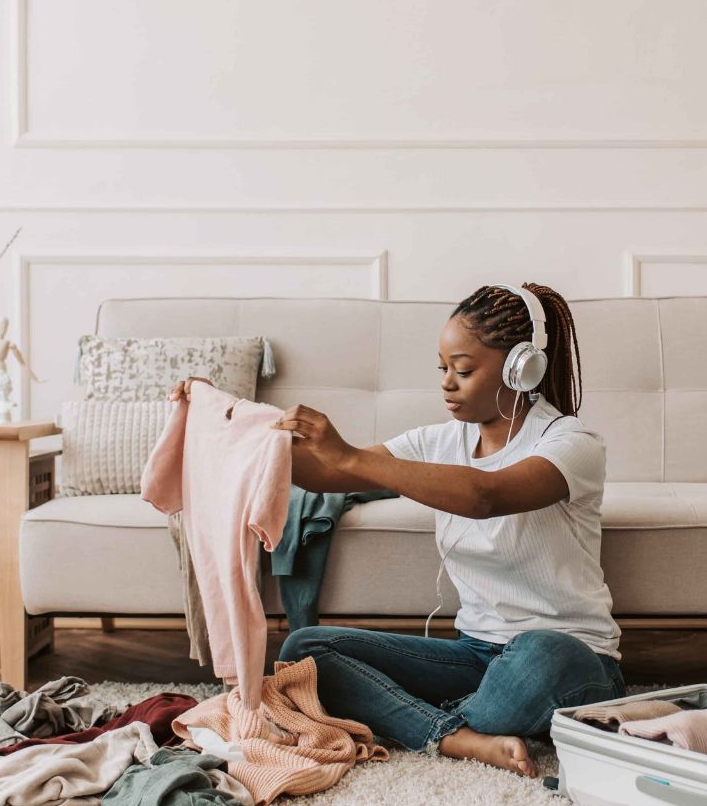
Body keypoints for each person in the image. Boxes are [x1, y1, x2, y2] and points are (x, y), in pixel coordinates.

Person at [169, 283, 623, 776]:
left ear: (521, 366)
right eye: (443, 369)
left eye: (464, 370)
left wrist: (350, 455)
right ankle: (458, 736)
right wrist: (223, 417)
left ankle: (424, 718)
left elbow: (484, 496)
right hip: (476, 655)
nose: (448, 383)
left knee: (540, 651)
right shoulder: (436, 441)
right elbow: (326, 474)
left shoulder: (572, 444)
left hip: (574, 659)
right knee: (306, 650)